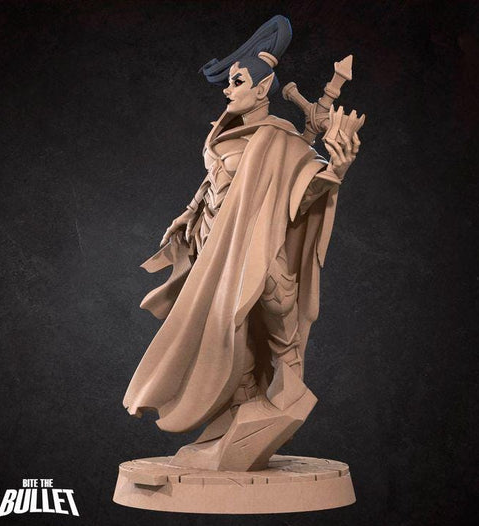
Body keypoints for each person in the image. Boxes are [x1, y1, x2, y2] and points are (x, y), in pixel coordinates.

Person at [123, 15, 360, 471]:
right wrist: (188, 213)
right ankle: (241, 408)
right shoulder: (225, 131)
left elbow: (303, 191)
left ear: (263, 87)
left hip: (257, 245)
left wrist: (336, 169)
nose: (229, 90)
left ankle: (288, 391)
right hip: (215, 245)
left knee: (272, 312)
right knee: (226, 333)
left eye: (238, 81)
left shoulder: (278, 137)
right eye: (229, 82)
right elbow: (213, 181)